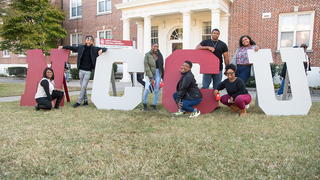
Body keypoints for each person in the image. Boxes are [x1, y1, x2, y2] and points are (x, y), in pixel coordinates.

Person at [59, 35, 107, 108]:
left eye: (90, 40)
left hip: (88, 71)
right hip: (81, 70)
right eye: (88, 39)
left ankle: (78, 102)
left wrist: (102, 50)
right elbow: (72, 47)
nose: (89, 41)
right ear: (85, 40)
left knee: (84, 86)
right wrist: (63, 47)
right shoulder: (81, 47)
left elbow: (105, 48)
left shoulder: (95, 49)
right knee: (82, 87)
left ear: (92, 42)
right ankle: (85, 101)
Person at [143, 43, 164, 111]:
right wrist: (151, 77)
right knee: (147, 89)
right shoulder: (147, 55)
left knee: (156, 89)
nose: (156, 47)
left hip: (158, 73)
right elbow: (146, 66)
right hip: (150, 72)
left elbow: (161, 65)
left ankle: (154, 105)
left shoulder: (160, 54)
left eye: (157, 46)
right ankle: (145, 104)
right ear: (152, 46)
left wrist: (163, 75)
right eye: (155, 46)